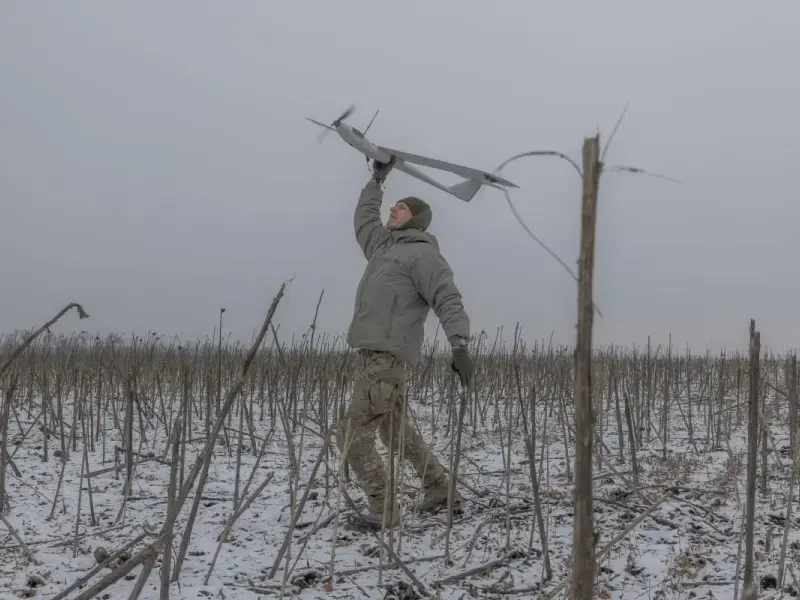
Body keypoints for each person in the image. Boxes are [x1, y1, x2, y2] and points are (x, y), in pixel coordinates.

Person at [337, 156, 474, 527]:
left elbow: (447, 297)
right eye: (393, 205)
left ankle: (384, 512)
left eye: (401, 208)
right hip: (373, 356)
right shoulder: (383, 248)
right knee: (395, 430)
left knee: (351, 434)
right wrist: (376, 181)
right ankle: (439, 489)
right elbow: (364, 219)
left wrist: (459, 344)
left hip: (388, 358)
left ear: (415, 219)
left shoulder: (424, 255)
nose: (392, 209)